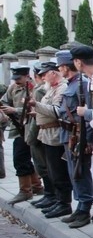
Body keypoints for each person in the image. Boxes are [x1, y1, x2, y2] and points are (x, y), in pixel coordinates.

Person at [54, 49, 93, 227]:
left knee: (81, 172)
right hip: (68, 134)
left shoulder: (82, 84)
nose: (59, 70)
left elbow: (88, 113)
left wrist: (87, 139)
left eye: (60, 66)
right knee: (73, 173)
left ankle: (85, 209)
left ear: (65, 66)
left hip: (78, 136)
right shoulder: (71, 84)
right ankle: (80, 207)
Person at [30, 62, 72, 219]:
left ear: (54, 73)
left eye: (45, 74)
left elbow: (56, 112)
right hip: (47, 134)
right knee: (52, 170)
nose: (42, 77)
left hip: (55, 134)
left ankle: (64, 203)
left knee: (59, 171)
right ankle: (57, 199)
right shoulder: (51, 88)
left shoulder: (62, 88)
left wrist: (36, 105)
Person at [1, 64, 42, 204]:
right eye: (15, 78)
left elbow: (36, 107)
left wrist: (15, 110)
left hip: (32, 128)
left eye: (19, 78)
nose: (16, 81)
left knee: (21, 158)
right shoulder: (13, 88)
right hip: (18, 128)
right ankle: (35, 186)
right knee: (22, 158)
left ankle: (26, 191)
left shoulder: (34, 88)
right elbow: (4, 101)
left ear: (26, 76)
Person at [28, 63, 56, 210]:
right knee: (44, 166)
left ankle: (52, 196)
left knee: (45, 167)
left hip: (43, 132)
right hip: (43, 132)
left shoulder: (40, 90)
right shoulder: (44, 88)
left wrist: (31, 137)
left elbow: (40, 114)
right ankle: (50, 195)